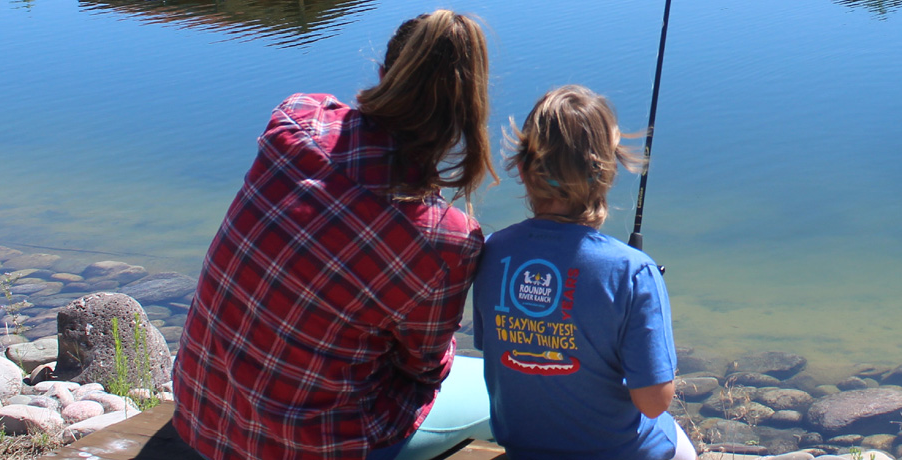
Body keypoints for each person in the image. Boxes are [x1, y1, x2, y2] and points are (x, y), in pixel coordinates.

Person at [171, 10, 496, 460]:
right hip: (307, 449)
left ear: (382, 75)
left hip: (200, 414)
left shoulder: (295, 119)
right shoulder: (447, 240)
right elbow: (424, 369)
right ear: (467, 110)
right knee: (504, 390)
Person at [472, 85, 693, 460]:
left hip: (524, 449)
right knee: (684, 450)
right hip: (619, 452)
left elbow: (499, 354)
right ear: (608, 173)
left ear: (522, 170)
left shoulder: (490, 252)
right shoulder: (633, 273)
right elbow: (654, 402)